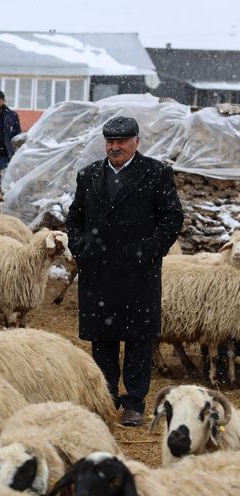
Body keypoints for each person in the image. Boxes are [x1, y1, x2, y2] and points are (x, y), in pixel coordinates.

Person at [66, 116, 183, 427]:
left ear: (136, 142)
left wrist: (150, 249)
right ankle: (107, 398)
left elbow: (172, 217)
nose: (114, 147)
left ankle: (134, 402)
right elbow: (74, 217)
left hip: (137, 272)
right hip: (98, 272)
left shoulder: (156, 174)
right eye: (110, 142)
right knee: (103, 339)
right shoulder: (89, 175)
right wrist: (81, 248)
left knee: (138, 340)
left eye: (121, 141)